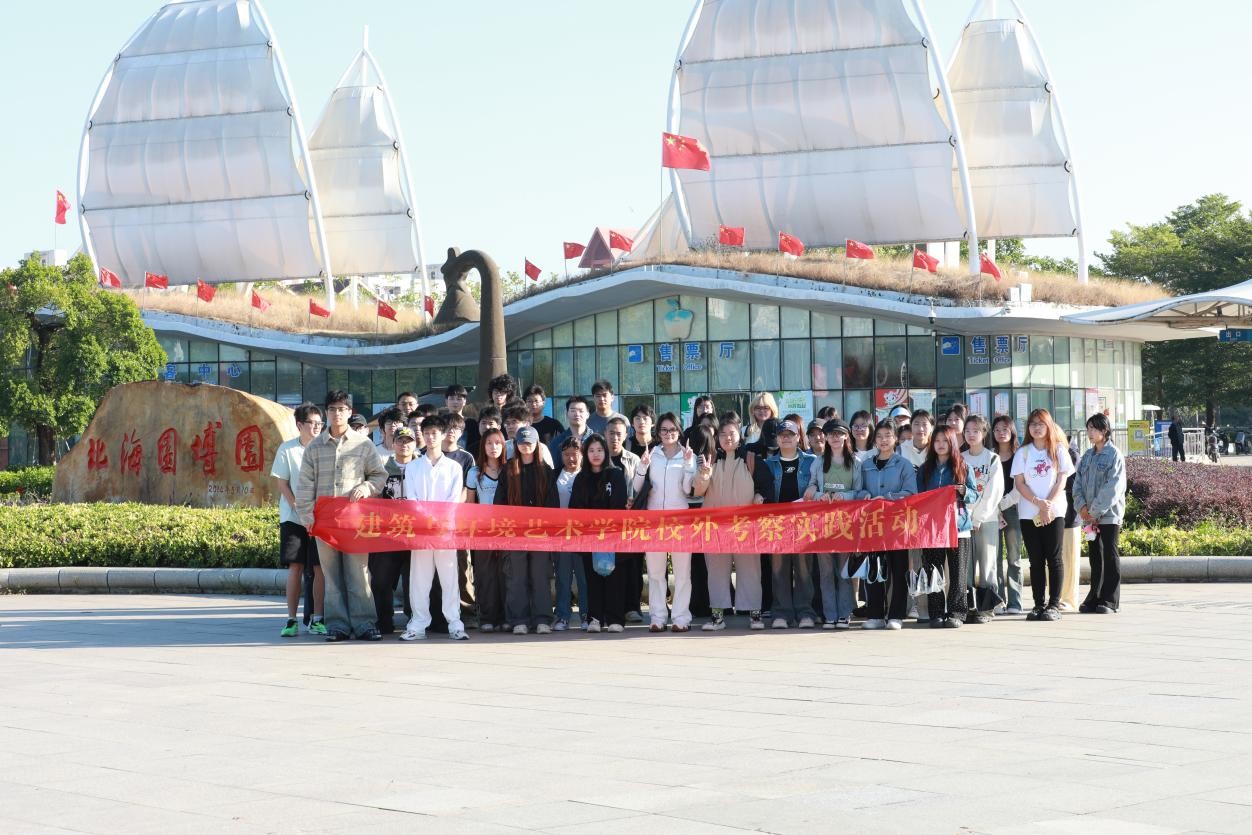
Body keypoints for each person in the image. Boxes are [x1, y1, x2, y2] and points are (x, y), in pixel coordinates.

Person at [295, 390, 387, 642]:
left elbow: (379, 475)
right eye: (333, 409)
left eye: (342, 409)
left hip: (354, 522)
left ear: (350, 412)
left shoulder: (363, 444)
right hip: (324, 523)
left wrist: (366, 487)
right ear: (326, 412)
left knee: (359, 573)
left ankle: (365, 623)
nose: (337, 413)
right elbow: (305, 486)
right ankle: (337, 625)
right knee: (332, 576)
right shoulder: (314, 447)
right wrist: (307, 517)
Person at [399, 415, 469, 642]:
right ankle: (418, 624)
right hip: (421, 530)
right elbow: (412, 499)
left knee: (449, 578)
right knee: (419, 579)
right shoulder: (413, 467)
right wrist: (426, 520)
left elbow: (454, 499)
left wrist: (439, 521)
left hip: (445, 530)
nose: (430, 437)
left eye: (434, 433)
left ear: (443, 434)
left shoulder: (454, 467)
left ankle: (455, 623)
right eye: (426, 433)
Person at [692, 420, 765, 630]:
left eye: (732, 433)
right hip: (716, 527)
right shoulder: (710, 459)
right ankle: (717, 617)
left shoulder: (751, 459)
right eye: (723, 434)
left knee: (750, 570)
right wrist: (704, 473)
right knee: (716, 571)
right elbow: (697, 491)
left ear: (739, 436)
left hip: (745, 527)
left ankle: (755, 615)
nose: (728, 438)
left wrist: (760, 496)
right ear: (717, 438)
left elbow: (765, 485)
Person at [632, 412, 696, 632]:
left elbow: (688, 490)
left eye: (672, 429)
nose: (668, 434)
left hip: (680, 520)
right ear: (658, 432)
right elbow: (637, 487)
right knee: (656, 572)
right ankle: (657, 617)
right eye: (664, 430)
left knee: (682, 573)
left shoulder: (688, 455)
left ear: (679, 431)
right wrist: (642, 466)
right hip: (654, 520)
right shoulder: (652, 454)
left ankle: (681, 618)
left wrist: (688, 464)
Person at [1011, 409, 1075, 622]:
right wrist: (1038, 503)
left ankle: (1054, 604)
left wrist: (1047, 505)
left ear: (1049, 426)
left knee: (1054, 558)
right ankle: (1038, 604)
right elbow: (1020, 483)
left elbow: (1062, 480)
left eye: (1041, 423)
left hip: (1054, 512)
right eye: (1033, 424)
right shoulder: (1023, 453)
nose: (1037, 428)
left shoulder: (1058, 450)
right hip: (1029, 513)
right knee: (1035, 560)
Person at [853, 421, 917, 630]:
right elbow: (857, 490)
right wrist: (866, 495)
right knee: (874, 569)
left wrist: (887, 498)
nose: (883, 440)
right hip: (873, 525)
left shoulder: (904, 464)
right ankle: (875, 615)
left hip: (897, 525)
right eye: (879, 436)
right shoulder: (865, 465)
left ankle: (896, 615)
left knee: (898, 570)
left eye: (888, 435)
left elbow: (911, 493)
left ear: (895, 438)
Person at [496, 426, 559, 634]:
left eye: (529, 442)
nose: (526, 446)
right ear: (516, 444)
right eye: (522, 442)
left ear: (537, 444)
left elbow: (553, 504)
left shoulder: (546, 470)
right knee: (517, 577)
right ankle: (519, 620)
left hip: (540, 534)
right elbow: (500, 502)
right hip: (515, 533)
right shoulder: (508, 469)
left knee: (540, 576)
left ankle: (542, 619)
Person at [271, 403, 326, 637]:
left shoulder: (325, 448)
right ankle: (291, 620)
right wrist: (299, 508)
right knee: (296, 566)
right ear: (300, 425)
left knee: (319, 567)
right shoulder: (287, 449)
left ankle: (318, 619)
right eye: (312, 423)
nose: (316, 427)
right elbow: (282, 483)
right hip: (293, 518)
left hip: (320, 519)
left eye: (320, 423)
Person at [917, 426, 979, 629]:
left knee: (958, 573)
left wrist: (963, 491)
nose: (940, 444)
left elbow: (974, 495)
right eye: (937, 441)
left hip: (958, 527)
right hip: (932, 529)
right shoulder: (925, 469)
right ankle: (936, 613)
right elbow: (919, 497)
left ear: (952, 442)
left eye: (945, 440)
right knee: (933, 571)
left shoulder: (963, 466)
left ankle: (956, 613)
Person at [763, 420, 821, 629]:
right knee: (779, 570)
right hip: (777, 525)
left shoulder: (812, 461)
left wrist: (814, 488)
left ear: (798, 437)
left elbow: (819, 484)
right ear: (777, 439)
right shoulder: (768, 464)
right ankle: (781, 613)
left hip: (804, 525)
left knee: (804, 570)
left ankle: (806, 612)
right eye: (782, 434)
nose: (786, 438)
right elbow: (763, 490)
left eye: (791, 434)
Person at [571, 434, 629, 632]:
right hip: (590, 537)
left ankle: (615, 620)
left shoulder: (616, 474)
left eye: (600, 450)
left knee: (615, 578)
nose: (596, 454)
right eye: (591, 450)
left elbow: (619, 504)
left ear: (606, 452)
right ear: (585, 454)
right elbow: (575, 508)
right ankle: (595, 619)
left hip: (613, 536)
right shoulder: (581, 478)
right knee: (592, 578)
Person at [1073, 413, 1127, 615]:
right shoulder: (1087, 456)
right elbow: (1077, 483)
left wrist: (1094, 511)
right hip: (1089, 516)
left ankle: (1110, 600)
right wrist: (1082, 507)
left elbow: (1114, 487)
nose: (1090, 433)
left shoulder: (1114, 454)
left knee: (1110, 555)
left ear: (1104, 431)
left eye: (1094, 429)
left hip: (1109, 515)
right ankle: (1094, 596)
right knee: (1095, 557)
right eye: (1088, 428)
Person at [369, 426, 417, 635]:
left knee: (415, 580)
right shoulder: (382, 469)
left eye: (408, 441)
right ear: (393, 443)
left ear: (415, 444)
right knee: (381, 579)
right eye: (400, 441)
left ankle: (415, 618)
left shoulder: (421, 468)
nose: (404, 445)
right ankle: (384, 620)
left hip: (416, 534)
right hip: (388, 534)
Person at [962, 415, 1005, 622]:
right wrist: (968, 517)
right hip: (963, 521)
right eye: (968, 430)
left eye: (976, 430)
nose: (971, 434)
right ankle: (968, 607)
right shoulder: (960, 457)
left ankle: (987, 609)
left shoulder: (992, 458)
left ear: (984, 433)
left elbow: (994, 491)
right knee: (966, 566)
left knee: (988, 565)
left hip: (987, 520)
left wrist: (978, 517)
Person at [817, 419, 858, 629]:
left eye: (838, 433)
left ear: (845, 436)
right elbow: (811, 488)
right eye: (830, 434)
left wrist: (845, 496)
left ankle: (844, 613)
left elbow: (860, 491)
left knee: (844, 571)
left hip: (846, 524)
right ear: (825, 437)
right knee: (825, 572)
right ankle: (829, 615)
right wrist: (819, 495)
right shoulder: (818, 462)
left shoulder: (855, 462)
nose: (834, 437)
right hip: (822, 524)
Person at [467, 427, 508, 632]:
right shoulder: (474, 473)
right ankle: (487, 617)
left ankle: (506, 617)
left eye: (497, 443)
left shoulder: (510, 470)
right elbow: (469, 505)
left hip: (507, 530)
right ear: (483, 446)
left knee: (506, 574)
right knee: (485, 574)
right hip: (483, 532)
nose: (494, 447)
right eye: (489, 443)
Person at [605, 416, 645, 624]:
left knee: (633, 567)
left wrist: (633, 502)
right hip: (605, 525)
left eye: (619, 434)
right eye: (611, 433)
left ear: (625, 436)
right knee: (608, 567)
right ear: (605, 434)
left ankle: (632, 607)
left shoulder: (634, 460)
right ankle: (611, 608)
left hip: (630, 523)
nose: (614, 437)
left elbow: (642, 489)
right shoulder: (598, 457)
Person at [552, 437, 589, 630]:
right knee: (563, 577)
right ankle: (562, 616)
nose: (570, 458)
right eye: (566, 454)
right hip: (561, 534)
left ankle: (586, 615)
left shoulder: (588, 475)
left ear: (582, 455)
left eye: (575, 454)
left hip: (584, 535)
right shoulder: (554, 475)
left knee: (584, 578)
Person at [991, 416, 1025, 615]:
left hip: (1013, 509)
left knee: (1014, 557)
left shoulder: (1019, 455)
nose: (1001, 433)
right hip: (991, 512)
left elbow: (1021, 485)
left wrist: (1003, 504)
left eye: (1005, 429)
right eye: (997, 429)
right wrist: (995, 507)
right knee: (994, 558)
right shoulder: (990, 455)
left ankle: (1015, 602)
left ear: (1012, 431)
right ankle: (998, 601)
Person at [503, 402, 554, 467]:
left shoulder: (540, 448)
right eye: (507, 423)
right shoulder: (503, 447)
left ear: (527, 424)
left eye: (514, 422)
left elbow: (549, 472)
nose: (510, 426)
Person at [548, 396, 593, 463]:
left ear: (587, 414)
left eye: (581, 411)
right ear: (566, 414)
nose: (577, 414)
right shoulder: (557, 442)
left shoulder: (595, 440)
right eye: (573, 411)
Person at [443, 384, 472, 450]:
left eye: (459, 399)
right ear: (446, 401)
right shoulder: (440, 421)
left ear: (464, 401)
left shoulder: (471, 423)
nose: (455, 402)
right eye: (452, 399)